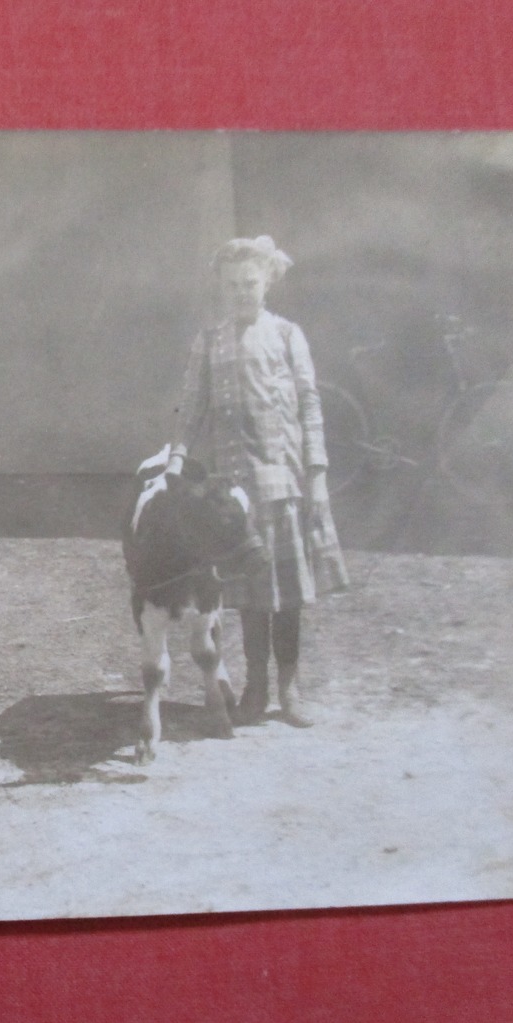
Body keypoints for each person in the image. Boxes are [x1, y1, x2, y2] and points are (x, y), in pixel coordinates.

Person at [168, 235, 348, 728]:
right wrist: (177, 453)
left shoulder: (288, 335)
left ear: (266, 282)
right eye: (232, 286)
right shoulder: (209, 341)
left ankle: (290, 689)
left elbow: (310, 405)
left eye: (250, 284)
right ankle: (255, 686)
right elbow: (191, 405)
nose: (241, 293)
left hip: (282, 481)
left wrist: (316, 473)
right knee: (247, 593)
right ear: (221, 288)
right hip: (235, 492)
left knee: (285, 593)